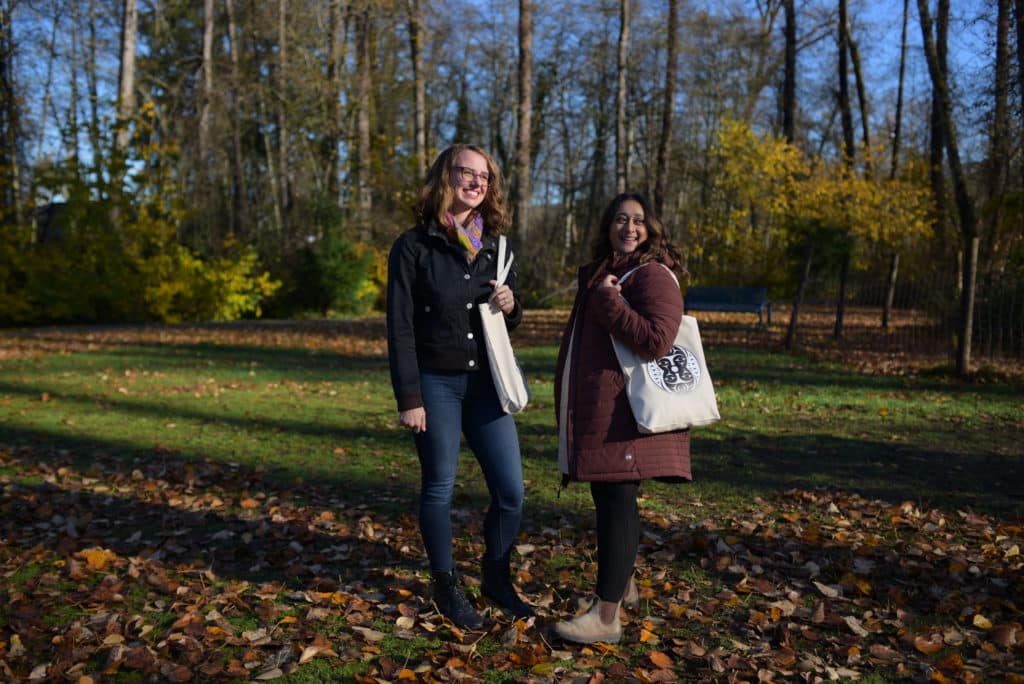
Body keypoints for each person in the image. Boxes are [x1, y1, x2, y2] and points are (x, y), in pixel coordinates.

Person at [386, 144, 533, 629]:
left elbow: (502, 323)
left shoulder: (492, 244)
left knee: (511, 491)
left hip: (486, 385)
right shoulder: (414, 246)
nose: (475, 183)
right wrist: (410, 398)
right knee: (440, 487)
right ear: (443, 177)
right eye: (465, 173)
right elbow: (400, 327)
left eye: (484, 178)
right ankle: (446, 583)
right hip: (436, 385)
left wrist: (512, 306)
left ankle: (495, 575)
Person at [552, 192, 691, 644]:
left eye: (637, 221)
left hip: (626, 416)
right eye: (619, 219)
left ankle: (606, 618)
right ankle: (621, 583)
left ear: (650, 228)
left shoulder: (653, 275)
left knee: (617, 504)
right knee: (608, 501)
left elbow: (657, 340)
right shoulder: (608, 272)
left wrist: (610, 302)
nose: (628, 228)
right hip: (604, 413)